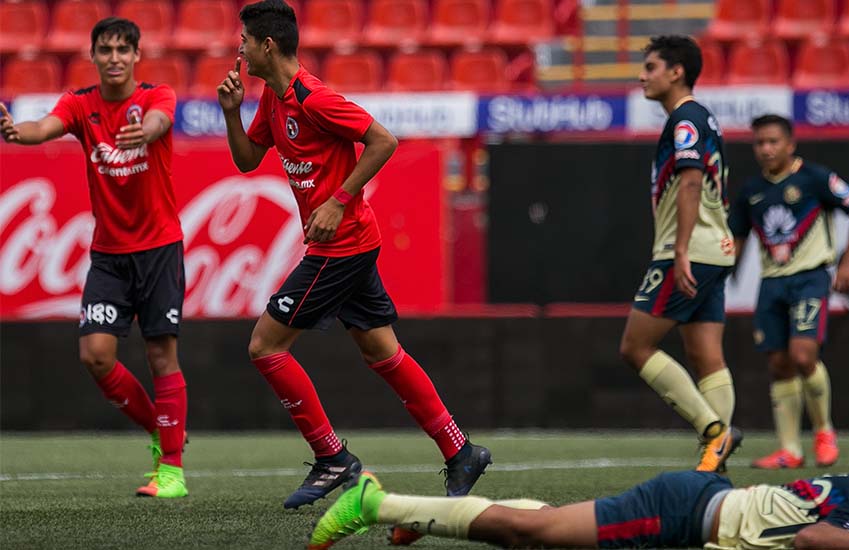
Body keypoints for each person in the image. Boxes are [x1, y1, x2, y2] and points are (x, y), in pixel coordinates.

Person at [217, 0, 491, 513]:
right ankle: (461, 449)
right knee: (382, 353)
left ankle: (332, 458)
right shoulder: (272, 99)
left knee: (265, 347)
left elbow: (383, 140)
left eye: (244, 41)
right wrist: (231, 112)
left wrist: (338, 200)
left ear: (267, 45)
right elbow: (249, 159)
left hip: (339, 246)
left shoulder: (313, 97)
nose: (240, 49)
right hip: (352, 243)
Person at [0, 17, 189, 498]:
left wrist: (145, 132)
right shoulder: (80, 105)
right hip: (109, 255)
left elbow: (161, 120)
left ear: (137, 56)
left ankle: (170, 470)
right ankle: (160, 429)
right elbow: (44, 126)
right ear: (93, 56)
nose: (114, 58)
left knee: (159, 354)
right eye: (105, 50)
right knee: (95, 355)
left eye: (124, 49)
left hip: (159, 248)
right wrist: (15, 133)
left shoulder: (155, 97)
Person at [309, 469, 849, 550]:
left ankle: (437, 513)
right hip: (686, 515)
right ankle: (379, 501)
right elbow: (817, 540)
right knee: (535, 534)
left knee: (550, 525)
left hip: (700, 509)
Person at [620, 35, 741, 472]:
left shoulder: (686, 119)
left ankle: (714, 432)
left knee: (636, 346)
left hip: (688, 250)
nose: (641, 76)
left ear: (677, 72)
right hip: (717, 249)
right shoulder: (701, 117)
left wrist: (682, 250)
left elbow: (690, 181)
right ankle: (716, 462)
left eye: (650, 67)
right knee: (707, 355)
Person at [728, 115, 849, 470]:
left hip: (809, 278)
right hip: (771, 282)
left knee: (803, 356)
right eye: (760, 143)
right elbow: (739, 238)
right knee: (778, 363)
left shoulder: (815, 178)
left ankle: (824, 430)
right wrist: (723, 272)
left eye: (773, 141)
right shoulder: (750, 191)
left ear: (790, 144)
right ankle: (789, 449)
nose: (766, 149)